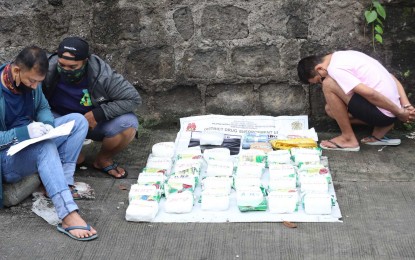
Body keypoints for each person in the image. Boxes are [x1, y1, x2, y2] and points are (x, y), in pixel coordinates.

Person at [0, 46, 97, 241]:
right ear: (16, 70)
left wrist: (47, 125)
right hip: (8, 156)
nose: (35, 86)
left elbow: (43, 106)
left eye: (39, 82)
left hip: (33, 138)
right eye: (32, 81)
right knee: (45, 147)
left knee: (77, 121)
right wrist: (23, 132)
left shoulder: (31, 84)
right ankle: (68, 215)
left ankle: (63, 182)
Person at [43, 36, 142, 178]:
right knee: (76, 159)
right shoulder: (46, 68)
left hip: (93, 123)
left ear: (85, 62)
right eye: (62, 65)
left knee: (128, 124)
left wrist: (99, 113)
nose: (66, 70)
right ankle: (72, 155)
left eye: (73, 67)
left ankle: (103, 160)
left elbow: (133, 98)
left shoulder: (103, 74)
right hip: (60, 121)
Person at [297, 50, 415, 151]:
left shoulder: (334, 68)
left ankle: (348, 139)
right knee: (330, 109)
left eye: (319, 80)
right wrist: (406, 105)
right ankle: (383, 126)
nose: (322, 81)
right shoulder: (345, 55)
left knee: (328, 84)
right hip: (390, 110)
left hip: (386, 112)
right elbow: (391, 77)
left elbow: (370, 93)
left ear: (320, 68)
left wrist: (400, 113)